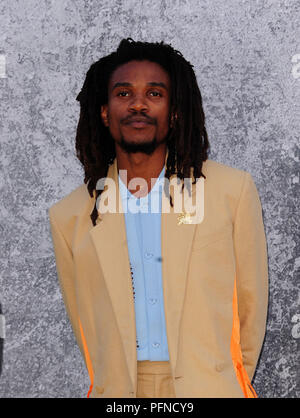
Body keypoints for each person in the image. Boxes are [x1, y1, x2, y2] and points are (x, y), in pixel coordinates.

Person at [48, 38, 269, 398]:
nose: (137, 104)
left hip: (210, 387)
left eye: (154, 94)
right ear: (104, 112)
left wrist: (225, 381)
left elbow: (251, 305)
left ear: (175, 111)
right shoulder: (69, 215)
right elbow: (87, 331)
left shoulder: (232, 192)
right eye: (123, 93)